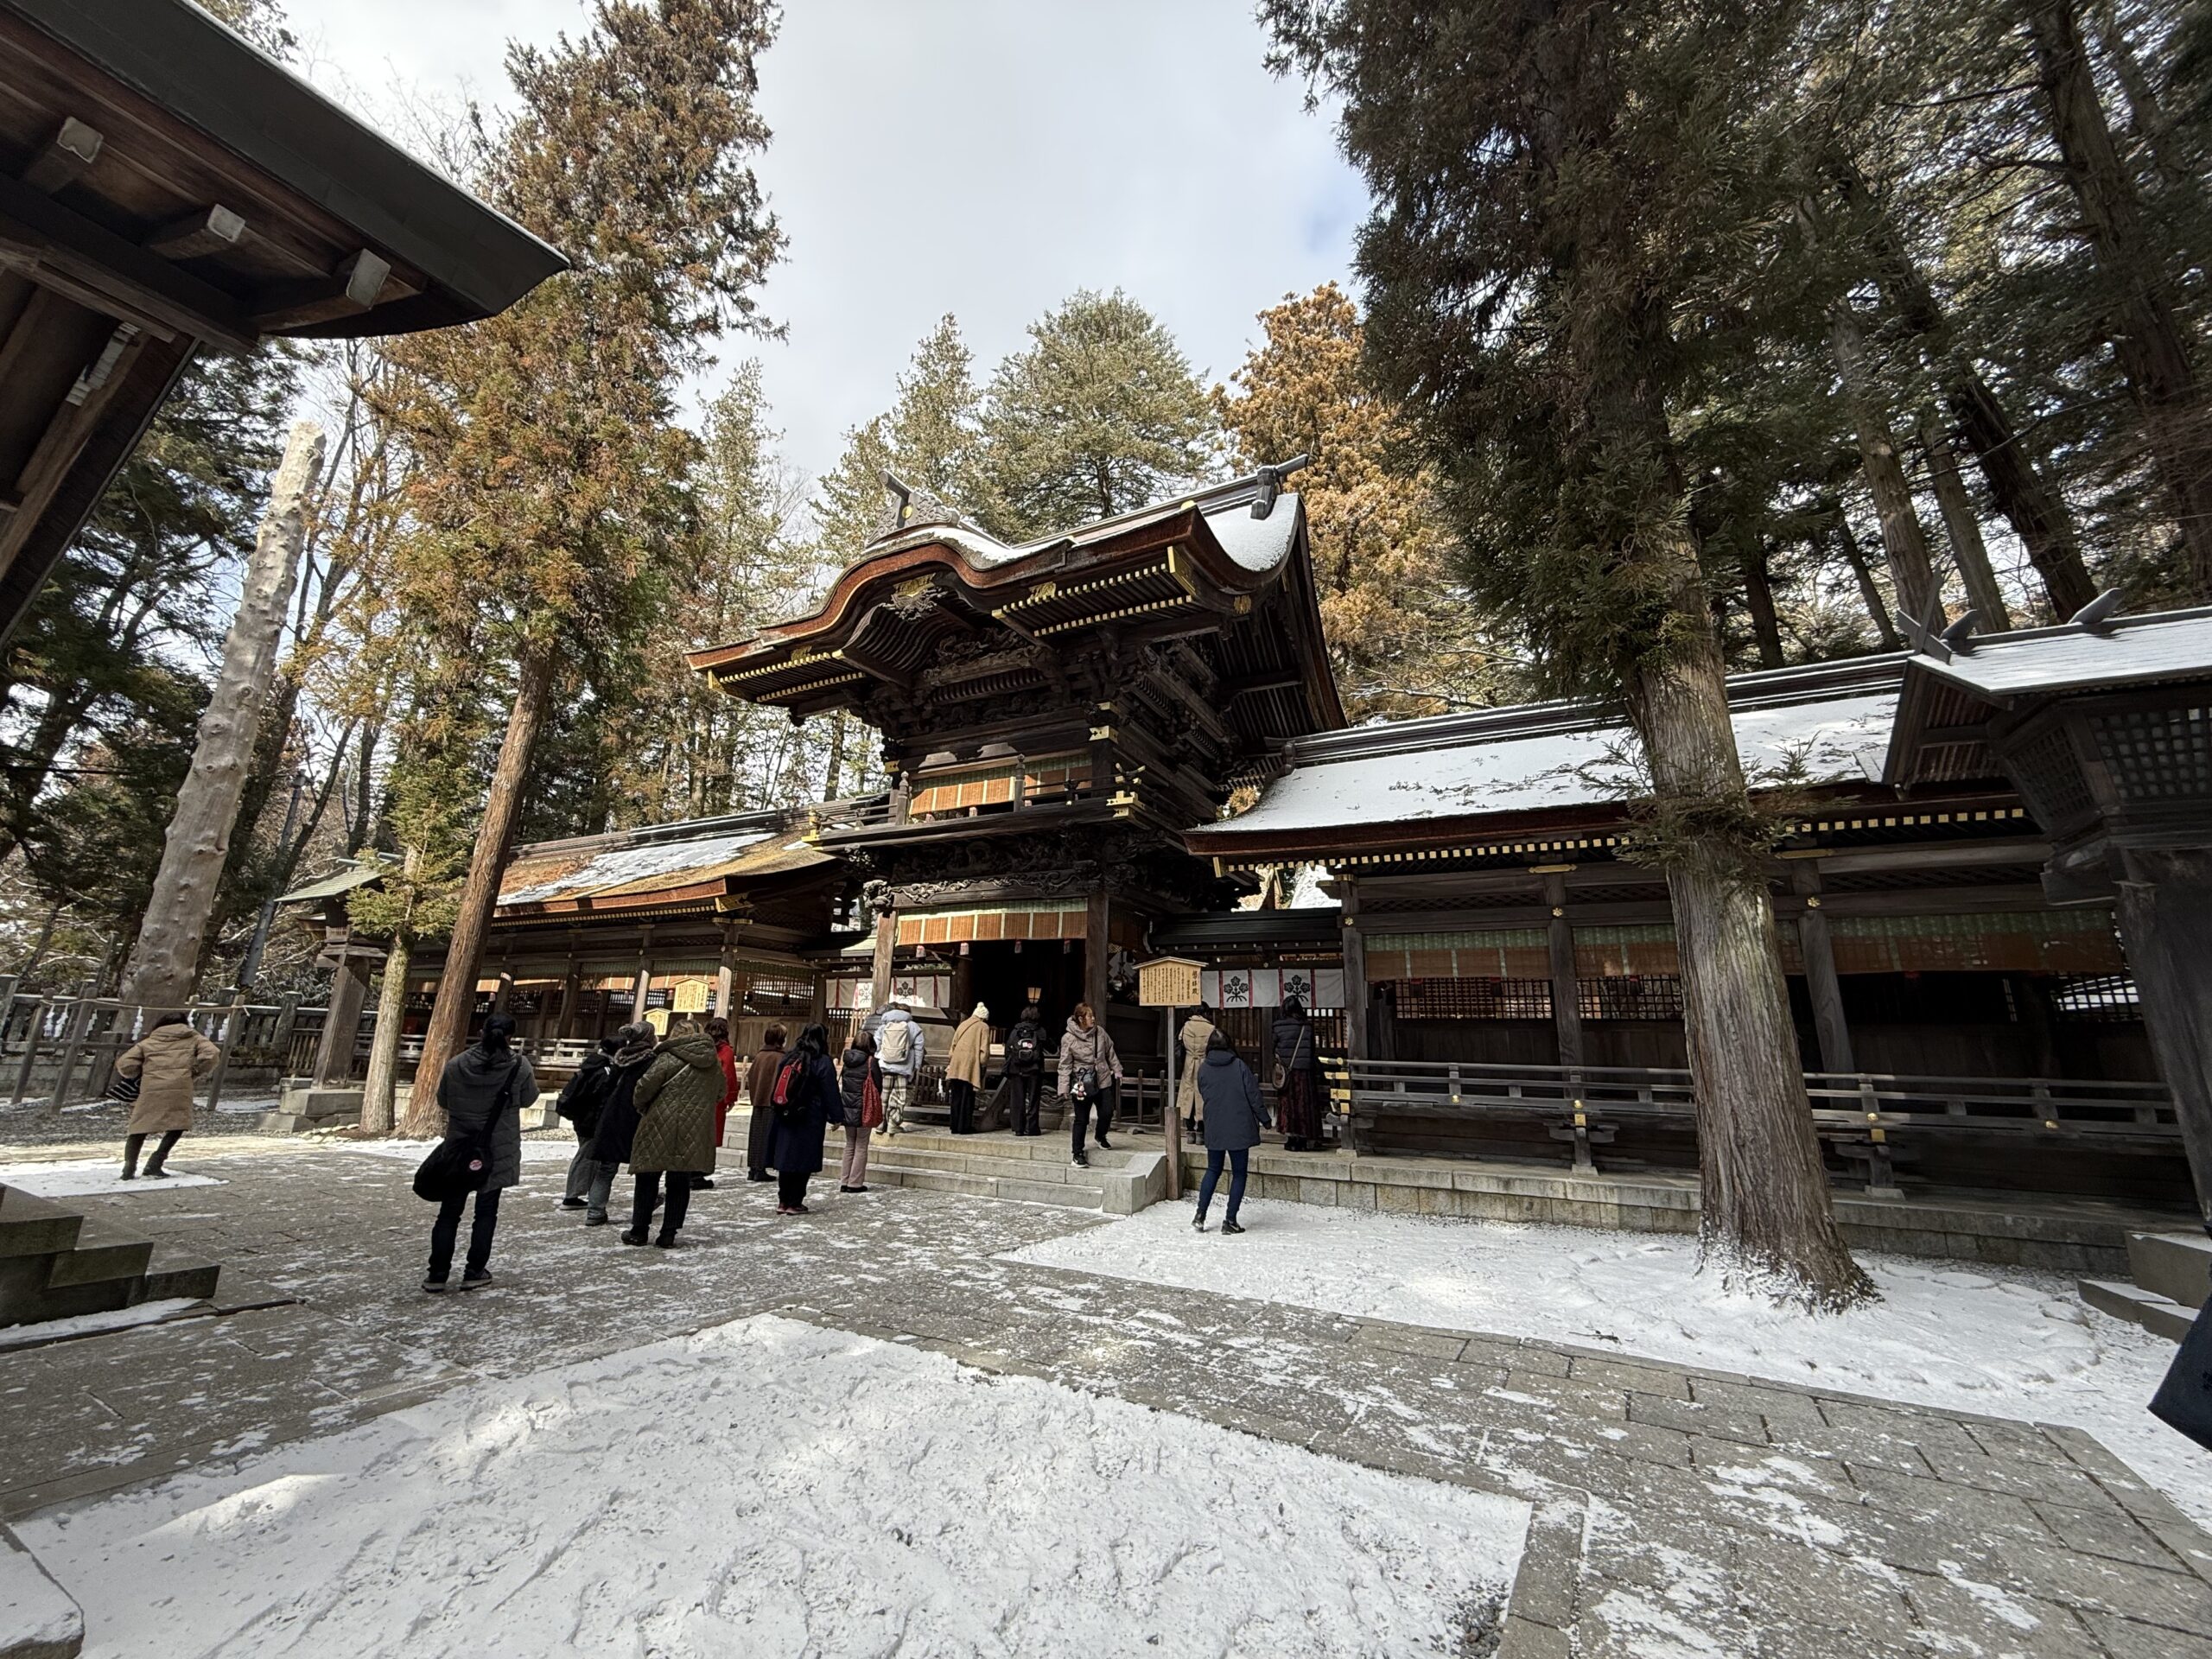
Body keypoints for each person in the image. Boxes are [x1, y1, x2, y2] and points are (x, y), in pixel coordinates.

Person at [423, 1013, 536, 1292]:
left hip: (459, 1147)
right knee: (486, 1212)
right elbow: (529, 1098)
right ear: (510, 1037)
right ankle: (474, 1270)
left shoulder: (456, 1064)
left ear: (481, 1032)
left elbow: (443, 1100)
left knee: (449, 1213)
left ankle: (437, 1274)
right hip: (496, 1148)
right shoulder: (519, 1066)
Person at [625, 1020, 725, 1248]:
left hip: (660, 1122)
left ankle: (639, 1230)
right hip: (694, 1127)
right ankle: (668, 1233)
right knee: (679, 1181)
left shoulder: (667, 1057)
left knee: (648, 1176)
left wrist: (643, 1107)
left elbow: (644, 1088)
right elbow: (720, 1092)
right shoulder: (712, 1063)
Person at [113, 1013, 219, 1180]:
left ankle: (129, 1167)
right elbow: (211, 1054)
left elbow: (125, 1064)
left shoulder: (149, 1041)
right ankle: (155, 1163)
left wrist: (139, 1071)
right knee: (178, 1124)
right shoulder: (194, 1038)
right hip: (180, 1086)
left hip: (151, 1086)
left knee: (140, 1126)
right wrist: (196, 1071)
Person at [582, 1022, 658, 1225]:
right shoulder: (652, 1060)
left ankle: (595, 1211)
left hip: (613, 1115)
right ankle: (647, 1203)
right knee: (646, 1169)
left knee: (606, 1168)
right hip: (639, 1116)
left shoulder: (620, 1059)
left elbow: (607, 1088)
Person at [1193, 1029, 1268, 1234]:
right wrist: (1265, 1119)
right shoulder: (1239, 1066)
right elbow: (1253, 1095)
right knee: (1239, 1173)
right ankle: (1230, 1220)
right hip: (1239, 1125)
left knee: (1213, 1169)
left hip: (1215, 1125)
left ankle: (1200, 1215)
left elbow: (1204, 1092)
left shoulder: (1203, 1069)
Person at [766, 1022, 841, 1214]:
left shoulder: (790, 1057)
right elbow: (830, 1091)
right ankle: (795, 1201)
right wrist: (836, 1116)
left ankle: (783, 1201)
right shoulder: (822, 1061)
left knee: (786, 1157)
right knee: (803, 1159)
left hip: (785, 1113)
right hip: (810, 1116)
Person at [556, 1036, 620, 1209]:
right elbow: (602, 1099)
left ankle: (584, 1192)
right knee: (586, 1157)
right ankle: (572, 1196)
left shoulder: (589, 1066)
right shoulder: (605, 1072)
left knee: (587, 1155)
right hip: (593, 1121)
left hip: (581, 1118)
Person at [1057, 1001, 1122, 1169]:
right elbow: (1065, 1064)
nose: (1093, 1019)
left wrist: (1117, 1069)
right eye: (1090, 1016)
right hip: (1082, 1082)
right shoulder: (1068, 1038)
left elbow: (1110, 1052)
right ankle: (1077, 1153)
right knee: (1081, 1119)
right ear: (1080, 1019)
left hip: (1102, 1078)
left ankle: (1100, 1135)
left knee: (1107, 1111)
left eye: (1093, 1016)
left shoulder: (1100, 1033)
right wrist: (1063, 1087)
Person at [1271, 995, 1325, 1152]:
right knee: (1303, 1104)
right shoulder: (1306, 1027)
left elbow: (1273, 1048)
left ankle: (1291, 1138)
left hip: (1286, 1072)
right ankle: (1303, 1138)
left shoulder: (1278, 1027)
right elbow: (1312, 1051)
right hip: (1304, 1073)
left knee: (1287, 1105)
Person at [695, 1015, 740, 1191]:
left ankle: (691, 1171)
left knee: (696, 1134)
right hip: (715, 1097)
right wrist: (730, 1097)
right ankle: (699, 1173)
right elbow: (728, 1075)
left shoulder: (700, 1048)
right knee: (709, 1135)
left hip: (697, 1095)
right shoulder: (725, 1051)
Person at [741, 1024, 787, 1182]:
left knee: (756, 1135)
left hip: (758, 1100)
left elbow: (751, 1076)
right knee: (767, 1135)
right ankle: (761, 1168)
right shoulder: (779, 1057)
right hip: (771, 1102)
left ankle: (753, 1168)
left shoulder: (760, 1056)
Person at [836, 1028, 880, 1192]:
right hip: (864, 1108)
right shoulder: (871, 1062)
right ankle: (855, 1183)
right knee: (861, 1145)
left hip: (847, 1107)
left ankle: (844, 1180)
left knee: (849, 1144)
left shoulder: (847, 1060)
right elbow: (878, 1085)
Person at [874, 1001, 925, 1134]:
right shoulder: (914, 1026)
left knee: (884, 1095)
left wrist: (878, 1057)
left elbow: (876, 1044)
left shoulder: (884, 1025)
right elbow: (919, 1048)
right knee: (899, 1096)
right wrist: (917, 1065)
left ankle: (880, 1123)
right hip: (904, 1067)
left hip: (885, 1065)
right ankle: (893, 1123)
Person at [944, 1001, 990, 1135]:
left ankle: (954, 1126)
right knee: (967, 1097)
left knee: (956, 1096)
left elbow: (953, 1046)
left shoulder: (963, 1024)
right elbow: (984, 1051)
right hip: (970, 1065)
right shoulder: (983, 1027)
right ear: (983, 1018)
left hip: (956, 1064)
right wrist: (982, 1064)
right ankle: (964, 1127)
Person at [1004, 1003, 1047, 1136]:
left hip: (1016, 1069)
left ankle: (1018, 1128)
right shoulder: (1040, 1031)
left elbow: (1008, 1050)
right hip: (1034, 1069)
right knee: (1033, 1099)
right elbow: (1050, 1047)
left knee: (1017, 1099)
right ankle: (1032, 1128)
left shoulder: (1015, 1031)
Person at [1176, 1006, 1217, 1136]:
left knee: (1188, 1093)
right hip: (1204, 1063)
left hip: (1189, 1063)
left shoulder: (1186, 1026)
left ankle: (1189, 1130)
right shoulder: (1211, 1028)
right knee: (1203, 1094)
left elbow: (1180, 1046)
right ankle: (1201, 1130)